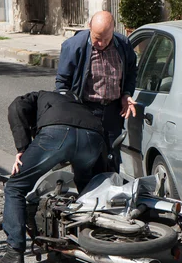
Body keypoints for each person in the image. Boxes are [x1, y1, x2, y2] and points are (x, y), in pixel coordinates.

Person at [0, 90, 105, 263]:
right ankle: (90, 240)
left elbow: (16, 106)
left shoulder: (38, 96)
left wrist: (22, 148)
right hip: (93, 137)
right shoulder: (79, 104)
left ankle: (14, 253)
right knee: (88, 189)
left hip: (57, 134)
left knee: (15, 187)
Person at [55, 11, 138, 172]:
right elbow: (62, 83)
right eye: (96, 38)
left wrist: (126, 93)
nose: (100, 43)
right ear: (89, 28)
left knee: (111, 157)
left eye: (105, 39)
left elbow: (131, 72)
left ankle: (109, 193)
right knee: (86, 159)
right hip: (86, 110)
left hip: (113, 111)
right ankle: (86, 194)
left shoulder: (123, 44)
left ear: (113, 30)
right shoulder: (73, 46)